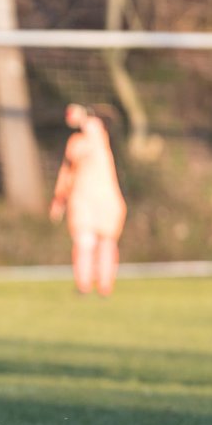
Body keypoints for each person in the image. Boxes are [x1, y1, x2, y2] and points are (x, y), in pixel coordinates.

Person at [49, 103, 128, 296]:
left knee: (106, 243)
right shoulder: (75, 142)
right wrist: (59, 199)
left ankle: (105, 285)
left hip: (105, 199)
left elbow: (93, 131)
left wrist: (82, 115)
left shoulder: (100, 139)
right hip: (81, 199)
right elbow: (67, 171)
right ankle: (83, 285)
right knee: (84, 243)